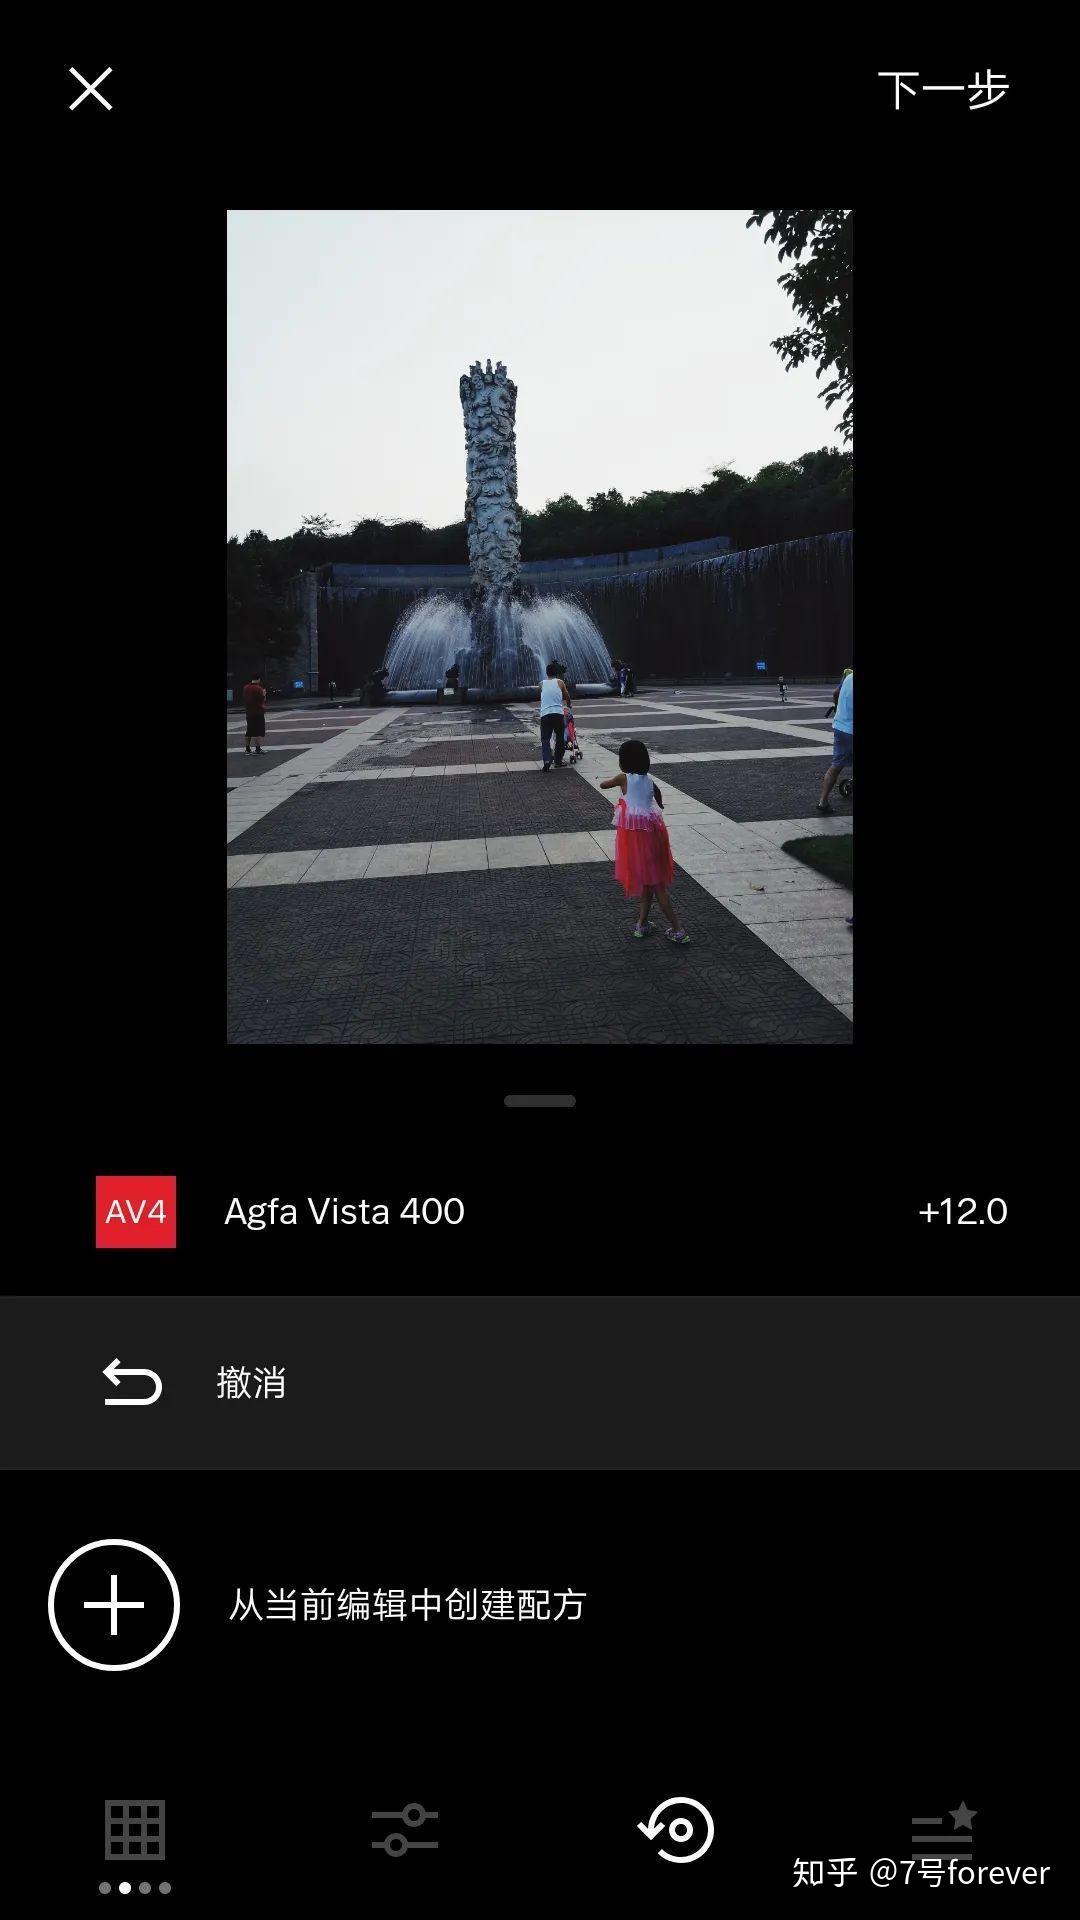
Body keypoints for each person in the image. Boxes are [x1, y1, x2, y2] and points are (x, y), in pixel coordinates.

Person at [600, 740, 689, 943]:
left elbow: (603, 785)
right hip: (655, 838)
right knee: (649, 883)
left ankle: (678, 929)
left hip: (637, 844)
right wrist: (659, 804)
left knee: (656, 885)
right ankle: (642, 924)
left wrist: (615, 783)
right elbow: (657, 795)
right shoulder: (649, 780)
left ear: (624, 762)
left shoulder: (623, 778)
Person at [817, 667, 853, 813]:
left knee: (836, 765)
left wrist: (839, 707)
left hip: (840, 727)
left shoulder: (849, 677)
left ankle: (823, 801)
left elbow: (835, 693)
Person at [540, 661, 570, 768]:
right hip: (558, 713)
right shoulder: (560, 682)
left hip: (545, 714)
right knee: (560, 737)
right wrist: (569, 704)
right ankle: (558, 761)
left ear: (546, 673)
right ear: (556, 673)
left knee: (545, 739)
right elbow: (566, 695)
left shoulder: (541, 684)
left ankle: (547, 760)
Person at [242, 674, 267, 754]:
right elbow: (262, 700)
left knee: (249, 731)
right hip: (258, 712)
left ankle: (247, 749)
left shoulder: (245, 687)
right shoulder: (259, 688)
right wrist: (264, 694)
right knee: (258, 731)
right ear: (258, 679)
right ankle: (258, 749)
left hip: (249, 712)